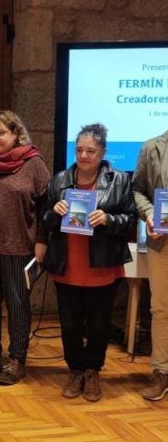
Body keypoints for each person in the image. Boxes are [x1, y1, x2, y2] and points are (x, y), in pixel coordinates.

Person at [42, 123, 136, 402]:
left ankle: (93, 371)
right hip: (67, 265)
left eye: (90, 151)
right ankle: (75, 370)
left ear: (103, 152)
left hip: (102, 266)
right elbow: (45, 221)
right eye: (79, 149)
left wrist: (108, 219)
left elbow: (130, 220)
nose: (83, 156)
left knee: (98, 326)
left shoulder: (119, 180)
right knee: (70, 325)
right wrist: (54, 213)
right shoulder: (59, 180)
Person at [0, 111, 50, 385]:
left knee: (18, 306)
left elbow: (47, 206)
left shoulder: (33, 163)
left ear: (16, 133)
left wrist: (42, 240)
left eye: (1, 133)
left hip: (19, 247)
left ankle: (17, 360)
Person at [132, 131, 168, 401]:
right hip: (162, 243)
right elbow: (137, 189)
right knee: (161, 308)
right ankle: (161, 372)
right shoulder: (151, 147)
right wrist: (148, 213)